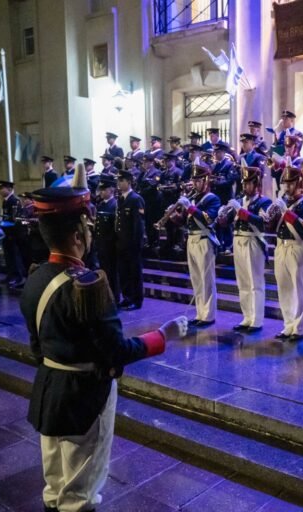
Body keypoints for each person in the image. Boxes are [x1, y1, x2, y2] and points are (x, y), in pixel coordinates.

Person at [19, 165, 186, 512]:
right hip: (85, 396)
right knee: (80, 493)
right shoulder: (88, 287)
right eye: (89, 227)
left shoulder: (34, 277)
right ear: (79, 234)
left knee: (54, 486)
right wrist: (161, 336)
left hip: (50, 388)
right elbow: (115, 351)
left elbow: (37, 346)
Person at [271, 165, 303, 341]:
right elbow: (271, 226)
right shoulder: (284, 201)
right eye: (285, 183)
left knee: (298, 290)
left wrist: (287, 213)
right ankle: (288, 324)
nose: (287, 187)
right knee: (283, 288)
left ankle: (298, 328)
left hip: (296, 246)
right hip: (281, 246)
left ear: (299, 183)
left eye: (291, 183)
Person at [225, 165, 271, 333]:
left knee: (255, 282)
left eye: (249, 184)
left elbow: (261, 222)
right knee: (243, 281)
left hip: (253, 241)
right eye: (244, 183)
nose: (245, 187)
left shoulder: (264, 201)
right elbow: (227, 221)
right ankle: (246, 316)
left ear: (256, 184)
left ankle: (257, 320)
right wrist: (226, 214)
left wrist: (240, 210)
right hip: (238, 240)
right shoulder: (241, 199)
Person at [177, 167, 221, 327]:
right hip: (191, 238)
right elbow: (184, 221)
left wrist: (189, 207)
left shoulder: (212, 199)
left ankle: (208, 315)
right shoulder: (192, 197)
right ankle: (199, 312)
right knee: (196, 278)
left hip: (204, 239)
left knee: (206, 279)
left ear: (206, 181)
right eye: (193, 180)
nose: (194, 184)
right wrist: (175, 216)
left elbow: (208, 219)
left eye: (198, 180)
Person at [115, 170, 145, 310]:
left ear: (129, 182)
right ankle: (127, 297)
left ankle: (136, 299)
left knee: (134, 273)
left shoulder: (135, 199)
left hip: (132, 243)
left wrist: (136, 243)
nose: (119, 184)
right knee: (124, 272)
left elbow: (138, 225)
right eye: (118, 181)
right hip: (121, 242)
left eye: (122, 181)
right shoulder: (121, 199)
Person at [95, 175, 119, 305]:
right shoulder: (101, 205)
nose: (101, 192)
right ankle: (106, 297)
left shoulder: (114, 205)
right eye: (101, 189)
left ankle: (114, 298)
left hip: (110, 245)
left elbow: (115, 228)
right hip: (101, 244)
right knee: (103, 272)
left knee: (112, 274)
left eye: (104, 189)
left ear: (111, 190)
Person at [0, 180, 26, 288]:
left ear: (9, 189)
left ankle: (17, 277)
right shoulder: (5, 201)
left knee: (15, 256)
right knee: (8, 255)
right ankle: (10, 275)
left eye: (2, 188)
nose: (0, 190)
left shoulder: (14, 201)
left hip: (13, 233)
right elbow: (6, 216)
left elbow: (14, 219)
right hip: (6, 231)